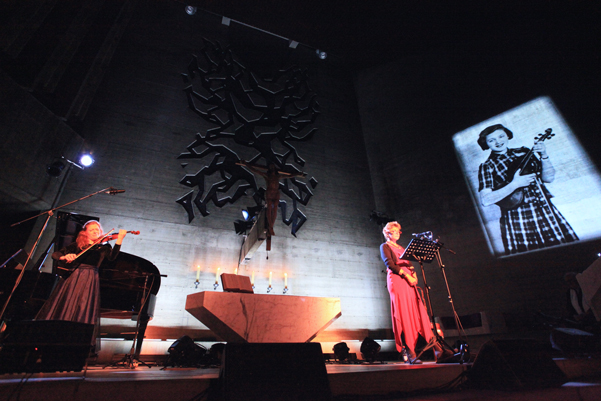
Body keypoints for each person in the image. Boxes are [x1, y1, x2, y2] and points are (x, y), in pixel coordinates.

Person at [477, 124, 578, 255]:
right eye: (492, 140)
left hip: (544, 209)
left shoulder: (524, 152)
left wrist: (543, 155)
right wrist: (515, 184)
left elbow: (548, 178)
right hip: (517, 217)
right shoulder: (487, 166)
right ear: (486, 143)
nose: (498, 142)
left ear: (507, 135)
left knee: (566, 252)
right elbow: (486, 200)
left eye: (501, 136)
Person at [36, 220, 127, 350]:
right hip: (74, 276)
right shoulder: (77, 245)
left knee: (83, 306)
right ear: (85, 233)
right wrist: (65, 257)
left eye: (97, 230)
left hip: (90, 278)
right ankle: (56, 336)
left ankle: (76, 341)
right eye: (92, 230)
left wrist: (120, 239)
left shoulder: (104, 246)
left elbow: (112, 258)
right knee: (66, 303)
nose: (95, 231)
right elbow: (56, 254)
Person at [380, 221, 437, 363]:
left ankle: (437, 348)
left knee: (418, 311)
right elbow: (390, 264)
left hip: (409, 281)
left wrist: (414, 275)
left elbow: (410, 263)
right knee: (404, 314)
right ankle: (410, 351)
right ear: (387, 233)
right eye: (395, 231)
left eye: (398, 231)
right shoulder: (385, 246)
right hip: (397, 280)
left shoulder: (401, 247)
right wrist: (407, 276)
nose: (398, 233)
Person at [238, 161, 305, 236]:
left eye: (273, 166)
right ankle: (270, 226)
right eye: (271, 167)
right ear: (269, 169)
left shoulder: (278, 176)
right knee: (269, 208)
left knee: (275, 209)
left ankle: (271, 226)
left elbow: (289, 176)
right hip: (269, 193)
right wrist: (246, 164)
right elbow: (255, 170)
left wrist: (297, 174)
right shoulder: (267, 175)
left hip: (276, 193)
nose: (272, 168)